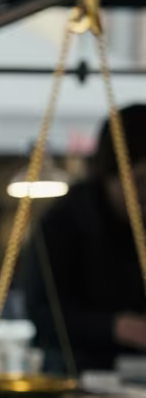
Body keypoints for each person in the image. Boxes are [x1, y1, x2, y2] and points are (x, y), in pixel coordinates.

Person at [25, 105, 146, 373]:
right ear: (109, 173)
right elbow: (42, 314)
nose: (144, 196)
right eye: (139, 182)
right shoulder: (63, 223)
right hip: (73, 376)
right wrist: (115, 327)